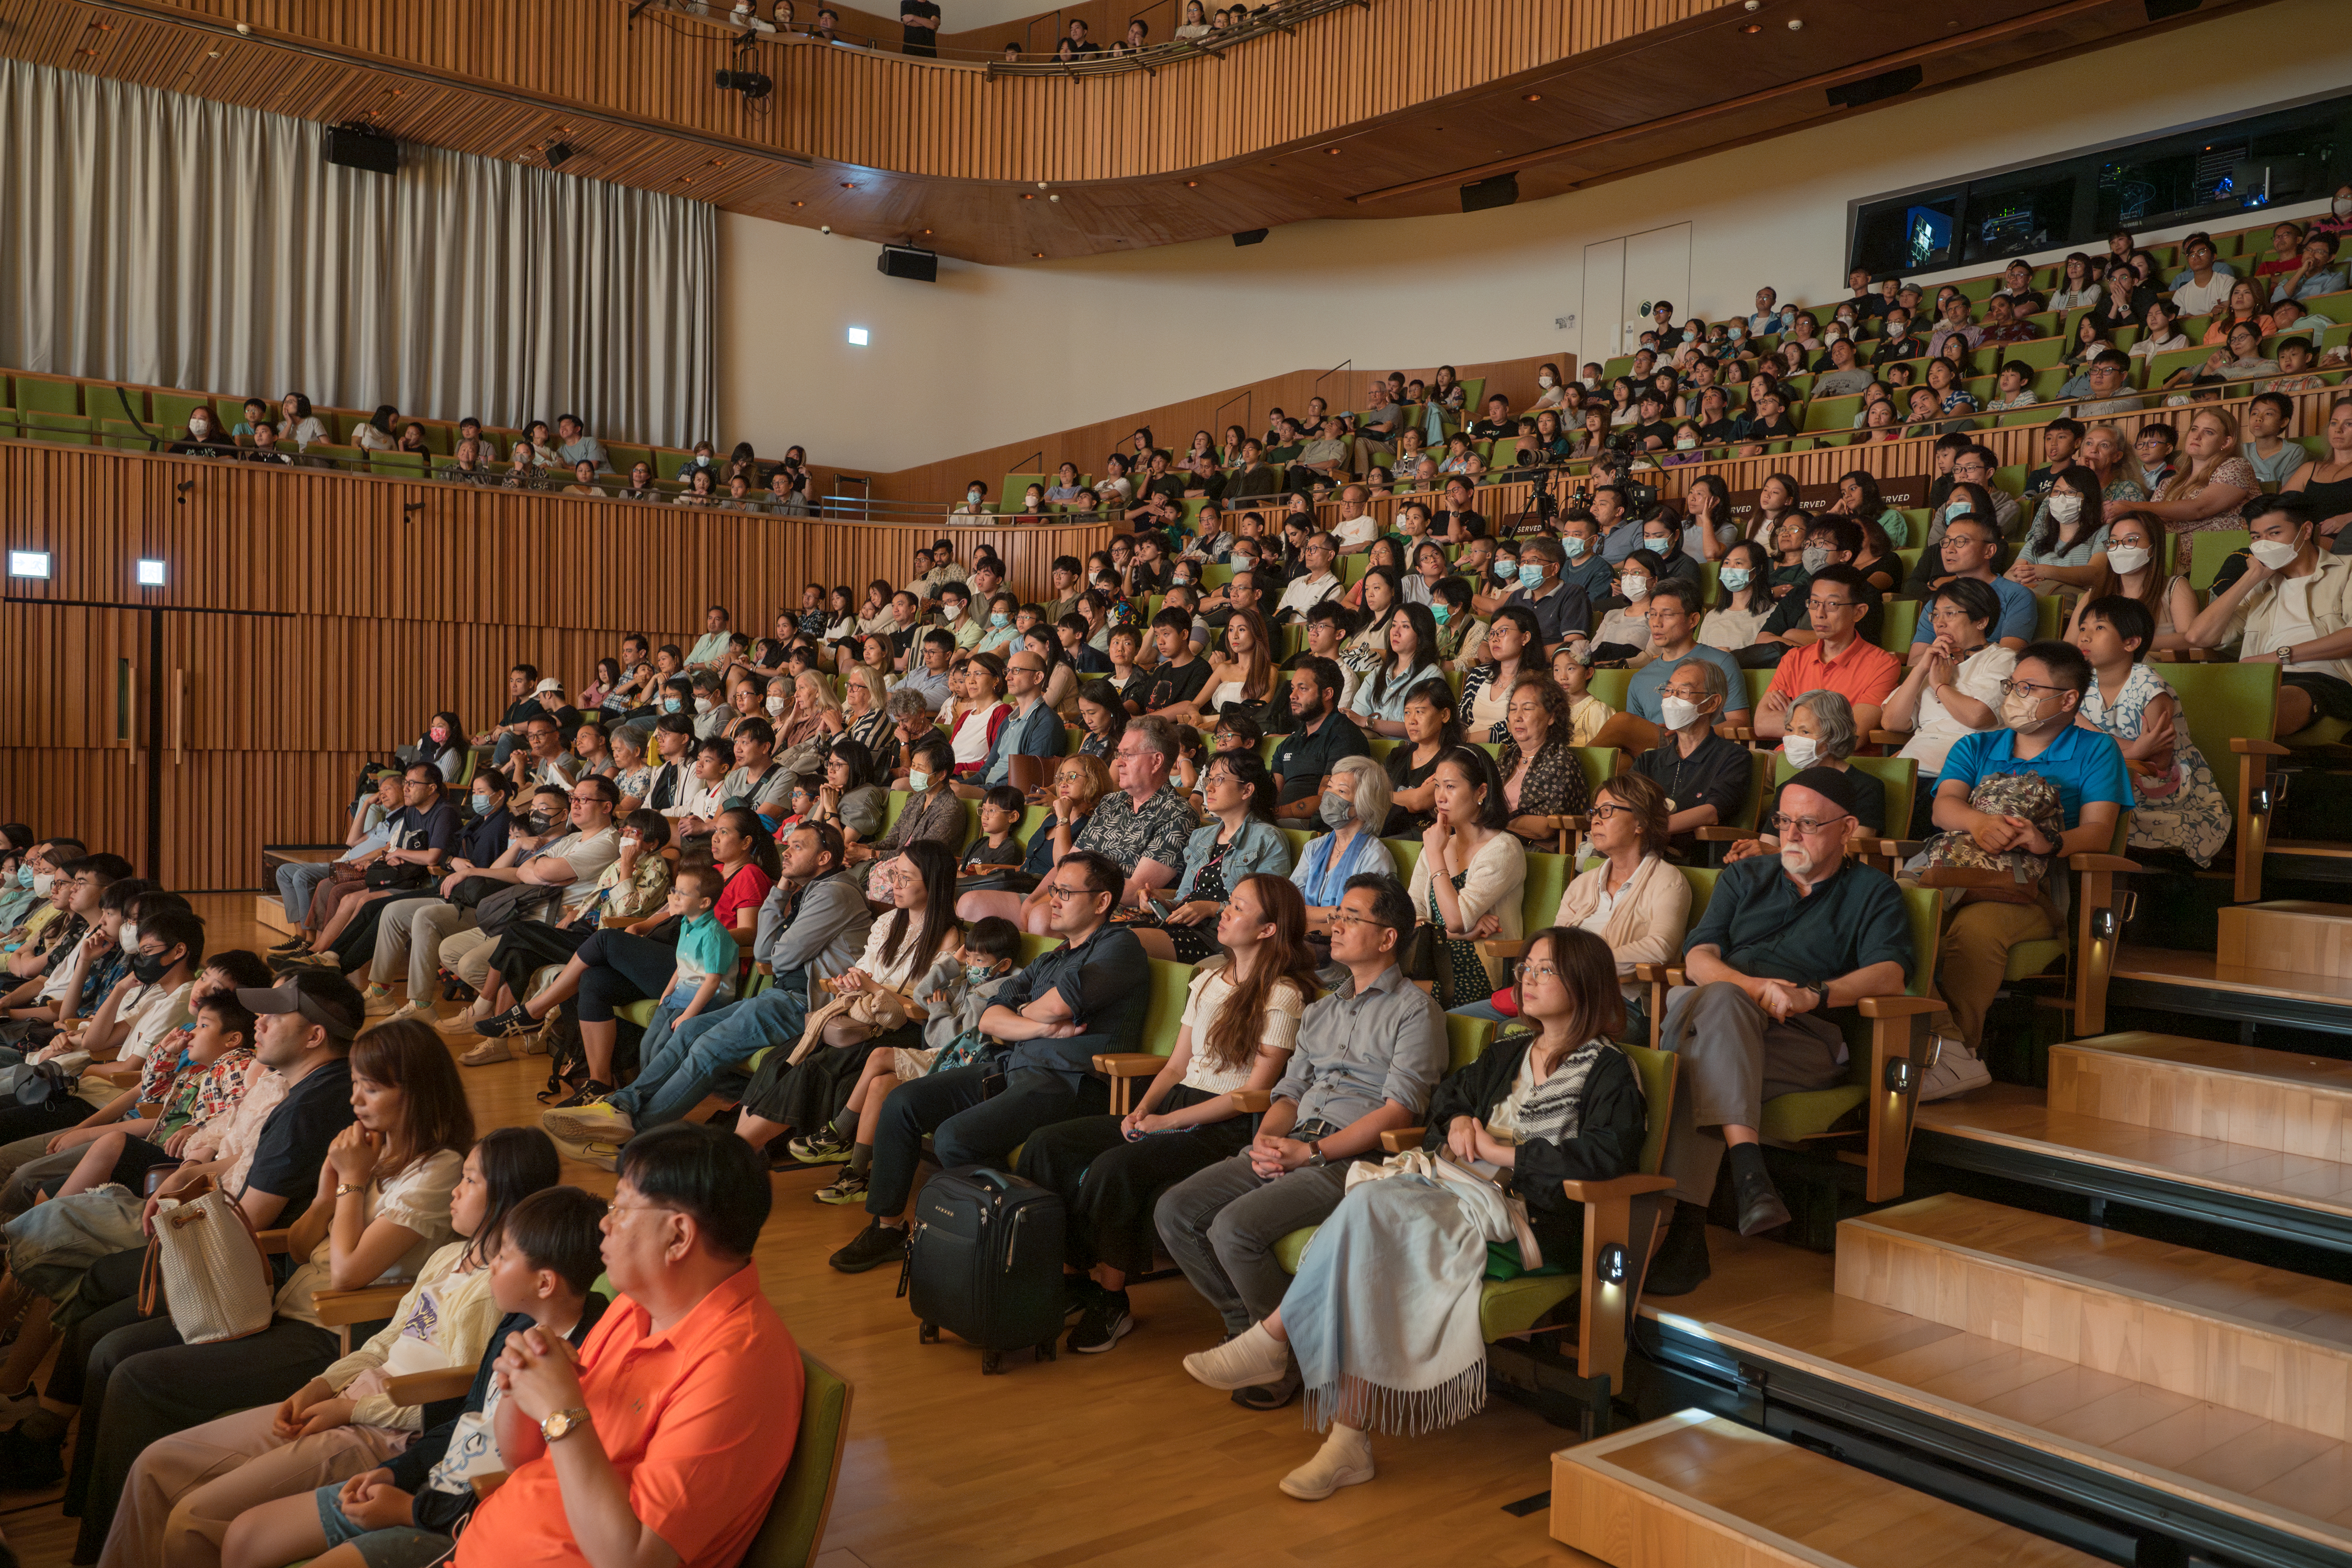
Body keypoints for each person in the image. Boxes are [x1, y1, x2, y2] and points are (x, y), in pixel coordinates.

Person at [1182, 924, 1643, 1499]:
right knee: (1367, 1214)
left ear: (1586, 981)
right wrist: (1456, 1122)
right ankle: (1342, 1432)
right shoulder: (1509, 1050)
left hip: (1527, 1211)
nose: (1527, 978)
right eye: (1526, 966)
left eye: (1545, 969)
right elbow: (1449, 1098)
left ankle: (1279, 1342)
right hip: (1458, 1188)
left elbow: (1605, 1154)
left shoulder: (1610, 1069)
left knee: (1369, 1205)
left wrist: (1500, 1149)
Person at [63, 1005, 470, 1560]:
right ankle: (101, 1527)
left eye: (372, 1089)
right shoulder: (374, 1153)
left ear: (417, 1093)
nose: (356, 1101)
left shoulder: (438, 1168)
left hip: (333, 1333)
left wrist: (349, 1186)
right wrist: (329, 1191)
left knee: (138, 1380)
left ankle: (103, 1547)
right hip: (285, 1306)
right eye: (356, 1085)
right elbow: (304, 1247)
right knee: (116, 1353)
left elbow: (349, 1273)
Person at [100, 1126, 560, 1568]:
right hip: (349, 1400)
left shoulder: (499, 1291)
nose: (456, 1191)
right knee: (155, 1465)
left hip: (387, 1431)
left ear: (506, 1196)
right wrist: (321, 1387)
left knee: (193, 1521)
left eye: (471, 1181)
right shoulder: (448, 1257)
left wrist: (350, 1412)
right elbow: (384, 1344)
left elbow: (453, 1404)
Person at [426, 1123, 802, 1567]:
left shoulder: (739, 1369)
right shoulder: (634, 1306)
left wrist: (561, 1412)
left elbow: (635, 1560)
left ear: (678, 1236)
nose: (605, 1222)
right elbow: (522, 1458)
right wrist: (522, 1384)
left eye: (621, 1207)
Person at [1153, 873, 1446, 1411]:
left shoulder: (1414, 1011)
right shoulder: (1322, 1008)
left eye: (1351, 917)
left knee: (1235, 1227)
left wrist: (1311, 1153)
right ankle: (1251, 1333)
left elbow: (1399, 1109)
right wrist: (1268, 1139)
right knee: (1176, 1209)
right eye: (1337, 914)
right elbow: (1289, 1091)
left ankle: (1282, 1356)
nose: (1335, 925)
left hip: (1354, 1160)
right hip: (1293, 1140)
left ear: (1387, 938)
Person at [1019, 874, 1318, 1353]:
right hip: (1177, 1105)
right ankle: (1074, 1276)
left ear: (1267, 929)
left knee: (1117, 1168)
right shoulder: (1206, 977)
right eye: (1230, 903)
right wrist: (1141, 1110)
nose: (1225, 912)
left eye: (1239, 908)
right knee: (1047, 1145)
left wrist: (1164, 1123)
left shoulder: (1282, 994)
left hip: (1225, 1124)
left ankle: (1113, 1300)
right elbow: (1178, 1063)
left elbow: (1256, 1090)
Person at [1643, 768, 1914, 1296]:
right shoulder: (1746, 877)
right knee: (1717, 1002)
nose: (1790, 834)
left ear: (1848, 828)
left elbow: (1891, 975)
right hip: (1726, 1020)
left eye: (1808, 823)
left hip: (1802, 1040)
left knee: (1685, 1067)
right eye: (1783, 820)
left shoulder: (1873, 892)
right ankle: (1747, 1174)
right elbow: (1699, 957)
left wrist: (1814, 993)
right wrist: (1748, 986)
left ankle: (1684, 1230)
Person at [827, 849, 1152, 1274]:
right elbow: (992, 1015)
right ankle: (888, 1228)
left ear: (1103, 901)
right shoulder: (1053, 957)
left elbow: (1053, 1008)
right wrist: (1036, 1026)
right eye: (1053, 889)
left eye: (1066, 892)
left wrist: (1029, 1016)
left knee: (955, 1138)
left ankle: (1013, 1237)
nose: (1052, 899)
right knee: (903, 1103)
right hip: (1013, 1063)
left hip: (1070, 1081)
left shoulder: (1119, 947)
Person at [1922, 640, 2131, 1101]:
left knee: (1973, 934)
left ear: (2069, 699)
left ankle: (1957, 1052)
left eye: (2029, 688)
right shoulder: (1977, 744)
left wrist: (2047, 841)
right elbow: (1944, 808)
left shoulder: (2097, 751)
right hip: (1956, 873)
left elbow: (2099, 832)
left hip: (2031, 887)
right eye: (2013, 686)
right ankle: (1949, 1051)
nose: (2016, 696)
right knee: (1894, 916)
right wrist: (1978, 822)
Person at [2072, 595, 2230, 868]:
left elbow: (2157, 763)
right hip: (2108, 773)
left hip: (2162, 788)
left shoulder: (2150, 688)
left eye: (2099, 629)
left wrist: (2126, 753)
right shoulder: (2081, 683)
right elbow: (2076, 738)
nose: (2085, 637)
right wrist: (2134, 749)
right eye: (2083, 628)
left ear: (2131, 643)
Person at [2185, 494, 2352, 740]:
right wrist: (2250, 579)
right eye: (2256, 537)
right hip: (2261, 678)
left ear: (2305, 531)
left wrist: (2278, 656)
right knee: (2186, 706)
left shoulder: (2346, 570)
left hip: (2327, 678)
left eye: (2274, 534)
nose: (2264, 543)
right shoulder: (2259, 587)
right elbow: (2198, 636)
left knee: (2260, 708)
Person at [1880, 579, 2014, 836]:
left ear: (1981, 621)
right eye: (1936, 615)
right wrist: (1921, 669)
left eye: (1950, 614)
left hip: (1955, 777)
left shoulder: (2001, 660)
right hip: (1909, 769)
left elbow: (1978, 716)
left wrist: (1941, 687)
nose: (1940, 623)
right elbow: (1892, 723)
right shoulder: (1934, 663)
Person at [1132, 750, 1293, 964]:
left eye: (1219, 780)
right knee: (1104, 934)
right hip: (1181, 926)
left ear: (1247, 790)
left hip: (1219, 938)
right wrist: (1163, 904)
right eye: (1209, 779)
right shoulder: (1201, 836)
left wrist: (1211, 908)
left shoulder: (1268, 838)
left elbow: (1269, 905)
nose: (1208, 788)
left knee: (1125, 942)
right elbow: (1185, 898)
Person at [1407, 746, 1525, 1012]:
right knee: (1374, 989)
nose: (1440, 797)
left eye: (1450, 787)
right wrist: (1460, 935)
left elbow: (1457, 918)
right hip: (1429, 960)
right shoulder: (1438, 844)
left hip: (1476, 971)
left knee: (1396, 1000)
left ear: (1481, 792)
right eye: (1437, 786)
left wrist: (1436, 855)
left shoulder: (1503, 849)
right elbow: (1410, 914)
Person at [1753, 566, 1899, 743]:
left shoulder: (1883, 665)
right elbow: (1762, 724)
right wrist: (1831, 724)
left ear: (1858, 612)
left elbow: (1851, 736)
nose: (1819, 614)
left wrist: (1794, 715)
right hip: (1786, 758)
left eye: (1832, 604)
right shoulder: (1793, 659)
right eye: (1814, 603)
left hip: (1839, 763)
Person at [1630, 659, 1751, 854]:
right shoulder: (1648, 761)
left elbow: (1711, 813)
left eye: (1683, 692)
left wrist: (1649, 830)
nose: (1671, 699)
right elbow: (1624, 804)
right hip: (1640, 851)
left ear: (1712, 703)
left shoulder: (1734, 757)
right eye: (1668, 691)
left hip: (1691, 858)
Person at [1268, 658, 1371, 817]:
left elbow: (1329, 799)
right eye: (1293, 688)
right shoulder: (1288, 743)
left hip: (1317, 826)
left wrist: (1276, 814)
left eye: (1303, 689)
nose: (1292, 696)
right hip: (1280, 822)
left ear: (1327, 694)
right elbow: (1274, 793)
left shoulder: (1345, 736)